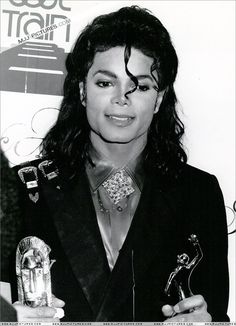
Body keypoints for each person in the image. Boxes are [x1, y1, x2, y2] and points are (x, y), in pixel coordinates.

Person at [12, 5, 229, 322]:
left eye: (140, 86)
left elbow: (216, 312)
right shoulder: (22, 188)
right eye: (105, 83)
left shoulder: (199, 193)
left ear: (159, 98)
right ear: (82, 91)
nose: (121, 98)